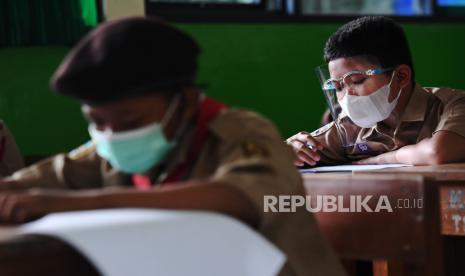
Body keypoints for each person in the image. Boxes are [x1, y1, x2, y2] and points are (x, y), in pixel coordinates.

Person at [0, 17, 345, 276]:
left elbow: (237, 198)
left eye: (130, 121)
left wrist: (73, 205)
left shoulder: (241, 132)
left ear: (187, 102)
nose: (110, 134)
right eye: (96, 122)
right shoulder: (108, 150)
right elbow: (33, 183)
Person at [287, 16, 465, 167]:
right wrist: (290, 151)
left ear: (401, 77)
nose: (347, 97)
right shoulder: (348, 129)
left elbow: (437, 153)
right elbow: (275, 159)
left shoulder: (453, 105)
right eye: (338, 87)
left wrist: (382, 159)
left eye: (357, 81)